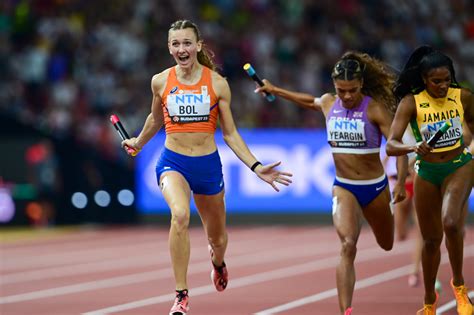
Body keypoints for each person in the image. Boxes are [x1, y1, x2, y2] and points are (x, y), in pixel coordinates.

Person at [121, 19, 293, 315]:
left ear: (198, 46)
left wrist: (255, 166)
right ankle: (181, 295)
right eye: (176, 44)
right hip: (173, 161)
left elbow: (230, 133)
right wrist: (138, 141)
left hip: (208, 167)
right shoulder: (160, 81)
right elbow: (155, 119)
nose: (182, 49)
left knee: (218, 239)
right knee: (180, 215)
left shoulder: (217, 83)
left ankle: (218, 263)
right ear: (169, 48)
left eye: (187, 43)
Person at [257, 51, 408, 315]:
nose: (347, 96)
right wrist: (275, 90)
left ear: (361, 84)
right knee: (348, 245)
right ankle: (345, 311)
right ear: (334, 87)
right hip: (344, 186)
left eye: (352, 90)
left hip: (374, 188)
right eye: (341, 90)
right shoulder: (330, 102)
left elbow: (397, 146)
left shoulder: (374, 108)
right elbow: (309, 101)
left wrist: (400, 181)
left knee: (387, 243)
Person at [386, 45, 474, 315]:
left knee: (450, 222)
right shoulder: (411, 103)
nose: (443, 86)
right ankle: (428, 302)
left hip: (459, 166)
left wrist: (469, 145)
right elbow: (391, 144)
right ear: (424, 79)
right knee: (430, 241)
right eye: (437, 81)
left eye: (447, 79)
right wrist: (413, 149)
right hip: (425, 171)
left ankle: (459, 286)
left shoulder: (464, 97)